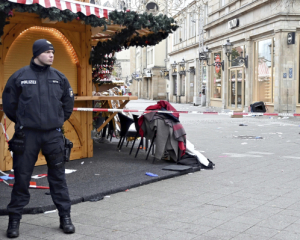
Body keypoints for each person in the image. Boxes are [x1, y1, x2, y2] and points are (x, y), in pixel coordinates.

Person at [2, 39, 75, 238]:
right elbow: (9, 104)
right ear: (37, 53)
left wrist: (57, 120)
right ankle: (14, 221)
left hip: (53, 135)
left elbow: (68, 103)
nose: (51, 55)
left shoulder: (59, 77)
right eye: (47, 52)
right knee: (22, 179)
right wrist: (24, 121)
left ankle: (65, 218)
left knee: (58, 178)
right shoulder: (20, 76)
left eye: (53, 52)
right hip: (27, 135)